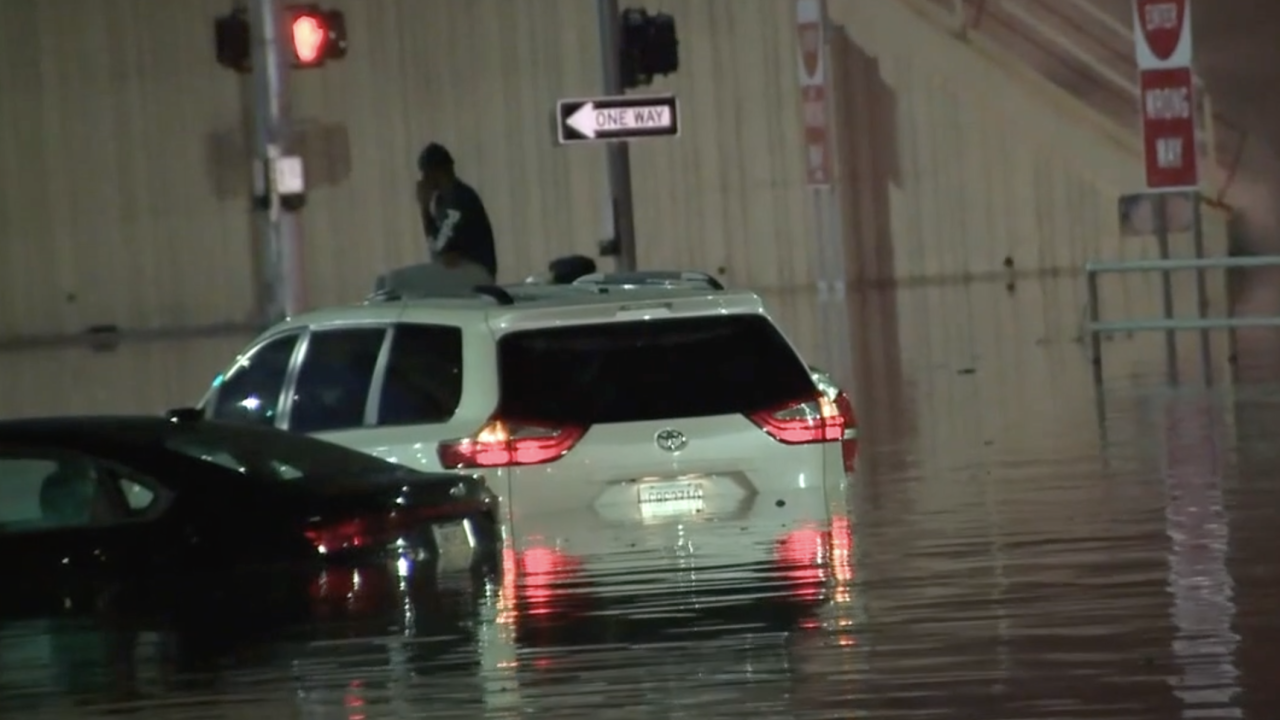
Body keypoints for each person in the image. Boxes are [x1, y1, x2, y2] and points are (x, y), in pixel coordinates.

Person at [417, 143, 498, 282]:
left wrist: (424, 208)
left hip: (476, 273)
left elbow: (439, 247)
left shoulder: (459, 199)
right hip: (464, 272)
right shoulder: (442, 201)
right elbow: (438, 248)